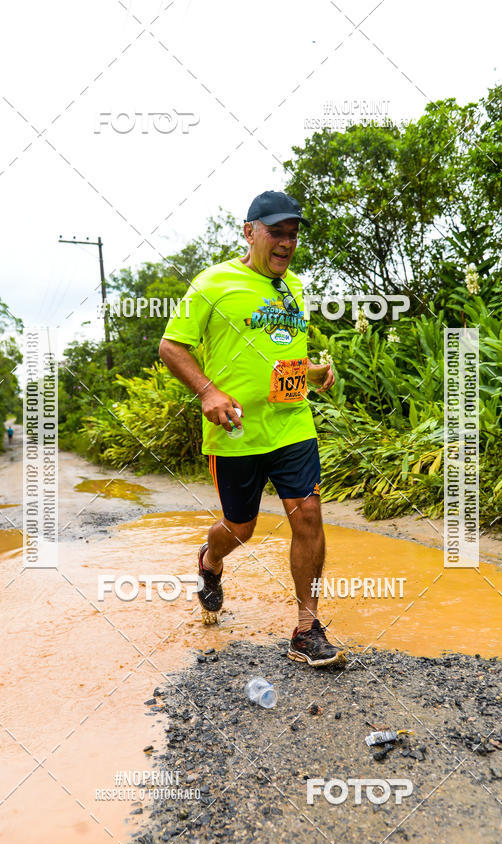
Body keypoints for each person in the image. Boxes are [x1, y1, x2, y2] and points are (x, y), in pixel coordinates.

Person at [159, 190, 347, 668]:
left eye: (293, 234)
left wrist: (311, 373)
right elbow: (171, 347)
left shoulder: (294, 287)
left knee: (308, 515)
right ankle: (210, 560)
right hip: (236, 431)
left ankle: (306, 630)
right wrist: (208, 391)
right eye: (276, 232)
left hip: (291, 424)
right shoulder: (213, 282)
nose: (286, 243)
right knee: (240, 528)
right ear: (249, 232)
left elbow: (279, 355)